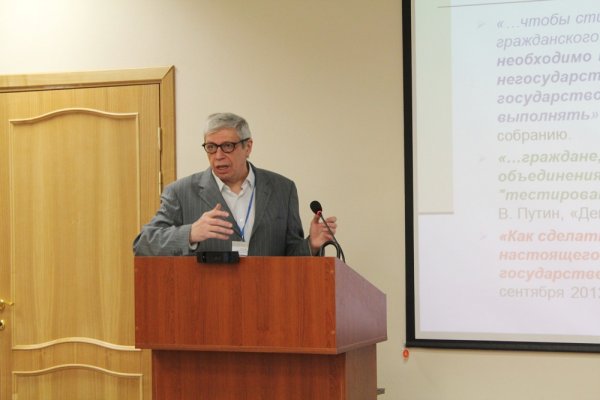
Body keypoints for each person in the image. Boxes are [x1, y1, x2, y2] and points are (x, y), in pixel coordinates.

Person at [133, 112, 337, 256]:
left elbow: (291, 256)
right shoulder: (181, 192)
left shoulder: (282, 189)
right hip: (207, 299)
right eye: (211, 147)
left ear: (248, 147)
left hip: (269, 298)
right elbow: (143, 244)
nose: (218, 156)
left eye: (228, 146)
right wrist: (190, 234)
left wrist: (311, 244)